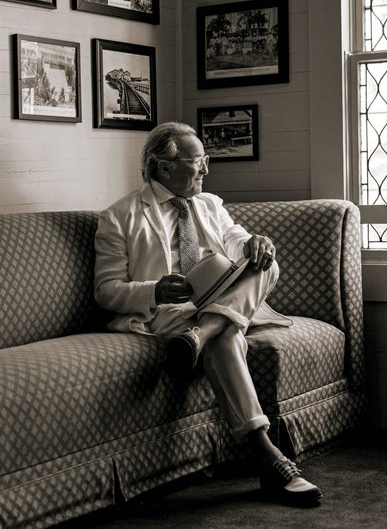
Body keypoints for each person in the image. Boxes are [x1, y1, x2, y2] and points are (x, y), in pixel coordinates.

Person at [93, 121, 322, 506]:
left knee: (267, 264)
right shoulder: (119, 216)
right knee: (228, 335)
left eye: (205, 160)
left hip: (214, 303)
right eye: (198, 160)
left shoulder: (210, 204)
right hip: (168, 312)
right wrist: (154, 289)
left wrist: (254, 243)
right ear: (165, 167)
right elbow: (106, 290)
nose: (206, 169)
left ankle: (201, 335)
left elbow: (235, 239)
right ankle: (268, 453)